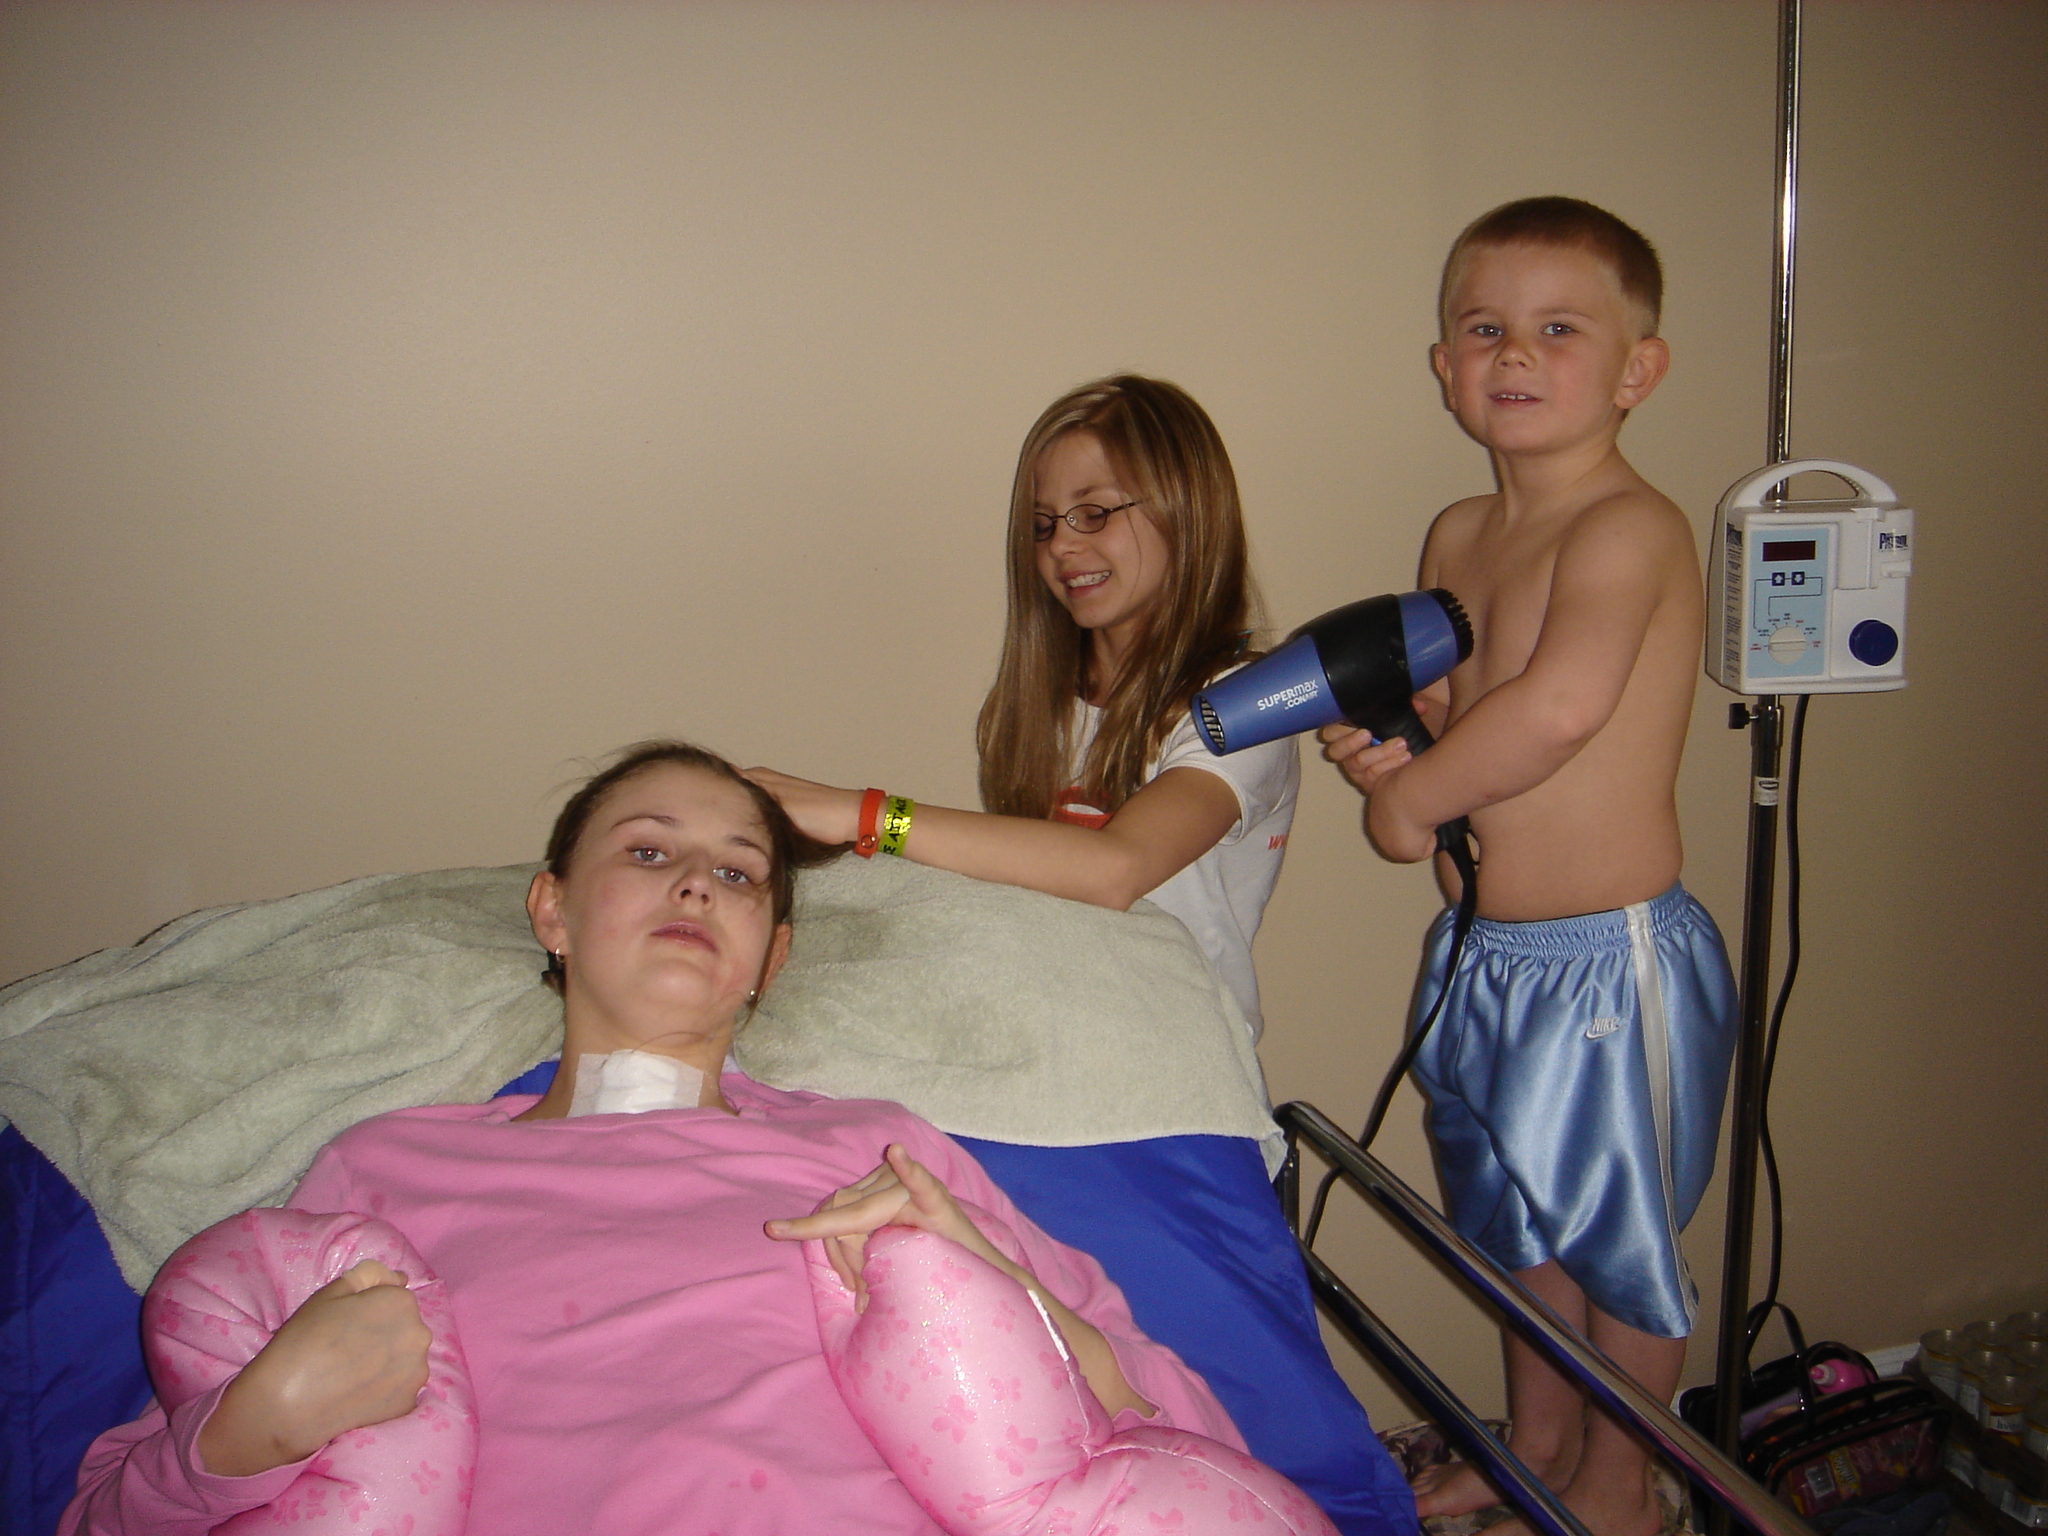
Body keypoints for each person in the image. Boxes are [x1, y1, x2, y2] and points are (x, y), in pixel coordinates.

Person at [60, 741, 1269, 1536]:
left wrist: (1001, 1283)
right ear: (551, 910)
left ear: (771, 961)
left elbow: (1173, 1436)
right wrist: (247, 1433)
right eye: (647, 853)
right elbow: (109, 1505)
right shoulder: (384, 1165)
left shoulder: (883, 1151)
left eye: (741, 875)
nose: (697, 884)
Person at [1319, 198, 1736, 1536]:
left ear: (1636, 369)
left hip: (1610, 968)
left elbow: (1558, 708)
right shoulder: (1458, 534)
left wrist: (1406, 813)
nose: (1516, 353)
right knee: (1514, 1233)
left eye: (1560, 328)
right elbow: (1469, 710)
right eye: (1485, 327)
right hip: (1485, 962)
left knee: (1620, 1257)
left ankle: (1625, 1486)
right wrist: (1401, 754)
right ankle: (1539, 1452)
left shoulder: (1632, 529)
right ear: (1446, 366)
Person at [748, 373, 1296, 1042]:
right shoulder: (1042, 709)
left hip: (1179, 1062)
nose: (1061, 545)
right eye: (1042, 525)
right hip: (1050, 1034)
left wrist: (865, 817)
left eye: (1094, 513)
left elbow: (1113, 870)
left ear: (1185, 510)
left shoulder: (1249, 708)